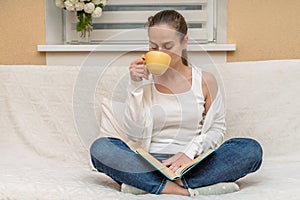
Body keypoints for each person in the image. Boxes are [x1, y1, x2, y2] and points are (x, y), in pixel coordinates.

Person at [90, 10, 263, 196]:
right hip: (150, 164)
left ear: (184, 42)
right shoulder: (143, 80)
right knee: (101, 148)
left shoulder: (205, 80)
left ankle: (150, 185)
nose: (159, 53)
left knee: (251, 150)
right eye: (153, 47)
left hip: (193, 163)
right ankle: (184, 189)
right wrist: (135, 85)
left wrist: (190, 152)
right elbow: (134, 131)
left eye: (168, 46)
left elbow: (217, 130)